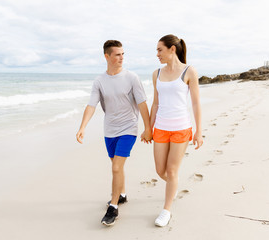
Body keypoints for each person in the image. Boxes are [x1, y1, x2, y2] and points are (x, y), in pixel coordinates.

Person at [76, 40, 152, 226]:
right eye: (117, 54)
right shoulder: (99, 81)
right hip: (109, 130)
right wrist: (82, 127)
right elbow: (91, 105)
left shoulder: (132, 77)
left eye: (123, 54)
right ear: (107, 56)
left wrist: (147, 127)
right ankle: (123, 194)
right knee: (116, 166)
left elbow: (142, 104)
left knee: (116, 167)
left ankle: (114, 207)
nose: (121, 58)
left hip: (129, 128)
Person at [147, 34, 203, 227]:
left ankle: (166, 210)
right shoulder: (156, 74)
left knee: (171, 171)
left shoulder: (189, 71)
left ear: (172, 49)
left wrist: (199, 131)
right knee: (160, 170)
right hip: (161, 128)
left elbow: (195, 103)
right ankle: (174, 185)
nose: (157, 54)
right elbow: (155, 104)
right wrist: (148, 127)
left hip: (181, 128)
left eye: (159, 50)